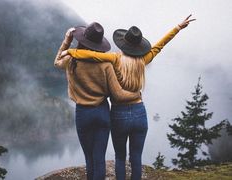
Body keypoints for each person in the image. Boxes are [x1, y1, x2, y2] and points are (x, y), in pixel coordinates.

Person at [62, 15, 196, 180]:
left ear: (123, 44)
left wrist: (71, 51)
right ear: (139, 46)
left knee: (120, 158)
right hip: (140, 112)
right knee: (136, 158)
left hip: (119, 113)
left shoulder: (115, 58)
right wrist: (177, 28)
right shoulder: (143, 60)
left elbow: (93, 56)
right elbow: (159, 46)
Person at [54, 22, 140, 180]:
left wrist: (67, 41)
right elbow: (118, 94)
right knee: (99, 158)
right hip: (102, 113)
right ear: (99, 45)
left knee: (89, 158)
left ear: (81, 40)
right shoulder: (106, 64)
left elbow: (56, 61)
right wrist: (136, 95)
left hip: (83, 113)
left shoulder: (72, 60)